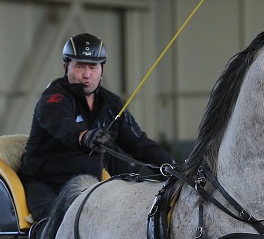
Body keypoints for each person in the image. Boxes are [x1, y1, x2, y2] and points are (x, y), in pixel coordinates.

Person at [20, 33, 175, 220]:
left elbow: (139, 143)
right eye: (79, 66)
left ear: (102, 69)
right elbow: (62, 124)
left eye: (93, 66)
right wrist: (85, 136)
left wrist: (175, 168)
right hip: (46, 184)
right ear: (65, 66)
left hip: (88, 186)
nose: (87, 74)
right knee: (54, 227)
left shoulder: (111, 103)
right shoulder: (53, 98)